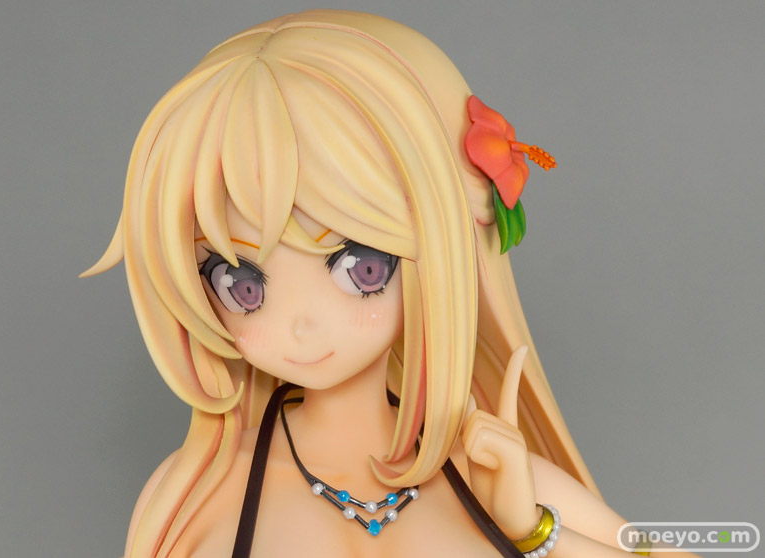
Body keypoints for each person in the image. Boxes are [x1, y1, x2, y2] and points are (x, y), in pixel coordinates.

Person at [83, 10, 694, 558]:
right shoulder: (197, 497)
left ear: (439, 249)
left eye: (360, 266)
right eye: (241, 285)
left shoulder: (498, 476)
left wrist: (533, 530)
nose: (301, 325)